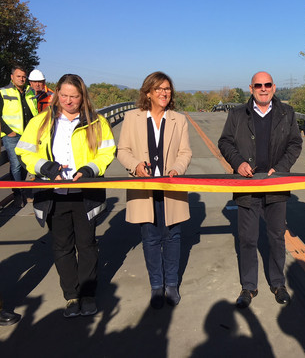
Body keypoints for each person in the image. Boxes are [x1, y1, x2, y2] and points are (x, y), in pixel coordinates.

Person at [15, 74, 116, 317]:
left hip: (85, 193)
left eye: (74, 96)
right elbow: (24, 152)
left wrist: (90, 170)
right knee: (62, 247)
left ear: (82, 97)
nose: (68, 101)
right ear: (57, 94)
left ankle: (88, 294)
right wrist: (44, 167)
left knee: (87, 245)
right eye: (63, 96)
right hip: (54, 194)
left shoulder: (97, 122)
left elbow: (107, 152)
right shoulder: (41, 122)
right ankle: (71, 295)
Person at [218, 71, 302, 309]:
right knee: (247, 239)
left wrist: (282, 168)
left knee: (276, 237)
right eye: (258, 85)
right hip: (247, 185)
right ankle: (248, 286)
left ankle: (278, 283)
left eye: (267, 85)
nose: (263, 88)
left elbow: (296, 143)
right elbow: (225, 142)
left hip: (276, 184)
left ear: (274, 87)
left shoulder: (287, 113)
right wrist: (238, 163)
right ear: (251, 88)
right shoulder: (237, 115)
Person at [117, 72, 192, 309]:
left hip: (171, 187)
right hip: (144, 187)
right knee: (150, 238)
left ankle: (171, 285)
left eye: (167, 89)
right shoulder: (132, 118)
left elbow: (185, 152)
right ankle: (156, 286)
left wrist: (177, 169)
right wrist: (135, 166)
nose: (164, 93)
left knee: (172, 237)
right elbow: (123, 150)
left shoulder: (178, 120)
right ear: (148, 92)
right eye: (158, 89)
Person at [0, 66, 38, 207]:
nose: (22, 79)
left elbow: (34, 111)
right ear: (12, 77)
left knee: (25, 164)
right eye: (18, 76)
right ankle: (18, 194)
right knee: (15, 165)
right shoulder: (3, 92)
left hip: (28, 134)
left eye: (23, 76)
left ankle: (24, 191)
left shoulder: (29, 92)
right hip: (12, 135)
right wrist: (8, 131)